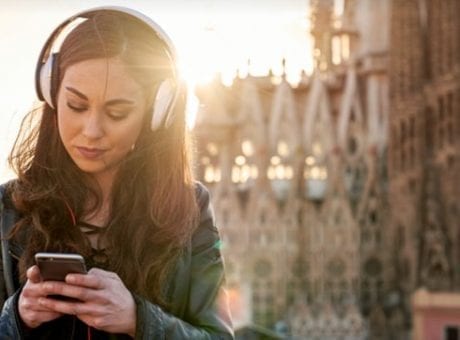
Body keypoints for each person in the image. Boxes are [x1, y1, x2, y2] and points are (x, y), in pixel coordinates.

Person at [0, 6, 233, 339]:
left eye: (118, 112)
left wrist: (141, 320)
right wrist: (18, 317)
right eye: (76, 106)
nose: (92, 130)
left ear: (156, 113)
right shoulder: (7, 208)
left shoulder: (189, 208)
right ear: (51, 94)